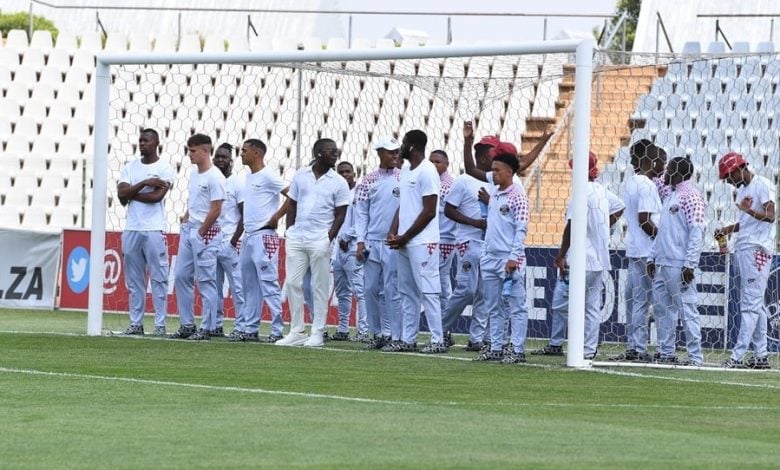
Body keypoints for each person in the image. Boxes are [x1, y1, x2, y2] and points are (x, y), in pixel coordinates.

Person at [532, 151, 624, 359]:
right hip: (598, 260)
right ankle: (588, 350)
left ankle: (559, 344)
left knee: (561, 303)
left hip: (579, 259)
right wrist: (601, 228)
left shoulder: (581, 192)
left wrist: (561, 255)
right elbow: (619, 206)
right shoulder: (601, 190)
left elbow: (570, 227)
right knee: (591, 308)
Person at [275, 138, 351, 347]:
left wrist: (329, 237)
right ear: (318, 153)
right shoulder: (301, 175)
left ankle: (318, 332)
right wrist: (289, 230)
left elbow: (341, 213)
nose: (335, 154)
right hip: (297, 236)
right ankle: (297, 330)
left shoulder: (339, 182)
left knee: (319, 286)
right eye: (330, 151)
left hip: (320, 238)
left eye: (336, 151)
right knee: (292, 282)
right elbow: (292, 204)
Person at [386, 130, 447, 353]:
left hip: (423, 242)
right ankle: (408, 339)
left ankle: (437, 340)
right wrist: (394, 231)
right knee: (407, 292)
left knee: (428, 292)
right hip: (405, 241)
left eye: (403, 143)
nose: (400, 147)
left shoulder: (428, 171)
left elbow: (429, 211)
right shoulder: (405, 170)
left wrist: (406, 236)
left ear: (411, 147)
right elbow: (404, 204)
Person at [716, 152, 775, 369]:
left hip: (758, 250)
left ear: (739, 168)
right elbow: (746, 223)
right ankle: (761, 355)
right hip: (744, 247)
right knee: (755, 305)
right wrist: (727, 229)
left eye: (729, 176)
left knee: (749, 306)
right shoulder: (742, 191)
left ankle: (737, 357)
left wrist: (749, 211)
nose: (729, 181)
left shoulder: (763, 185)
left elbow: (771, 215)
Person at [473, 142, 531, 363]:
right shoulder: (496, 193)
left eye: (497, 170)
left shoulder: (518, 196)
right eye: (493, 170)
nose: (493, 174)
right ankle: (496, 347)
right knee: (494, 306)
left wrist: (513, 257)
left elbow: (521, 228)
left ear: (510, 172)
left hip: (509, 259)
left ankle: (517, 350)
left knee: (517, 306)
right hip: (489, 257)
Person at [117, 128, 176, 336]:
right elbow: (121, 195)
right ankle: (136, 324)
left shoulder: (166, 168)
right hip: (132, 228)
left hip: (154, 229)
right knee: (134, 280)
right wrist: (144, 183)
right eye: (140, 140)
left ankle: (160, 325)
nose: (142, 144)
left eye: (146, 141)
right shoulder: (130, 167)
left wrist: (132, 193)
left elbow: (156, 198)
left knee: (159, 278)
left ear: (156, 142)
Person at [647, 157, 705, 365]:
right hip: (662, 263)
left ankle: (695, 357)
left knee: (687, 310)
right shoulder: (671, 195)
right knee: (663, 311)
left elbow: (696, 232)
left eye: (669, 170)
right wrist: (651, 257)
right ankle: (666, 353)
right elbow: (663, 231)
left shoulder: (691, 197)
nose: (665, 174)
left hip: (679, 264)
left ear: (678, 173)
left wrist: (690, 264)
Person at [440, 128, 494, 351]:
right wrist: (473, 223)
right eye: (493, 154)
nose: (497, 157)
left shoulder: (496, 181)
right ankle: (440, 329)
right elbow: (449, 210)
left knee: (484, 292)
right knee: (467, 289)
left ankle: (476, 338)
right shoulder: (463, 180)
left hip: (489, 244)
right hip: (467, 242)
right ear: (481, 156)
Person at [609, 140, 662, 362]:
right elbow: (644, 219)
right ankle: (644, 348)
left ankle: (634, 346)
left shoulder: (631, 182)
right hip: (648, 251)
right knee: (652, 302)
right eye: (661, 160)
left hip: (634, 249)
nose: (663, 165)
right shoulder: (647, 185)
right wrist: (663, 239)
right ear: (651, 158)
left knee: (635, 301)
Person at [171, 134, 226, 340]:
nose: (189, 155)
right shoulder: (195, 174)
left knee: (206, 280)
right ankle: (187, 324)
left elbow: (216, 208)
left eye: (193, 151)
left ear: (205, 151)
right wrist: (186, 221)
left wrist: (201, 232)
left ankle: (207, 327)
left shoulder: (215, 177)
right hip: (190, 229)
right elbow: (194, 201)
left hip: (206, 232)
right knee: (181, 276)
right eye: (189, 150)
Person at [236, 138, 289, 343]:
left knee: (268, 282)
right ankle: (251, 328)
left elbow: (292, 194)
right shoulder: (249, 177)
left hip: (264, 235)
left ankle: (276, 330)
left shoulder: (268, 175)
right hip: (248, 236)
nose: (241, 154)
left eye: (244, 150)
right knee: (249, 285)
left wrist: (277, 216)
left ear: (256, 153)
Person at [354, 137, 402, 350]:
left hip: (394, 243)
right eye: (390, 152)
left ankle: (393, 333)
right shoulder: (368, 180)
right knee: (370, 288)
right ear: (380, 153)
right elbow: (361, 212)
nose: (394, 156)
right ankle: (376, 333)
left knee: (392, 290)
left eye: (396, 152)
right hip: (372, 242)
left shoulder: (404, 178)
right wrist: (360, 241)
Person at [331, 161, 369, 342]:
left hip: (354, 247)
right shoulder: (337, 193)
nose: (345, 175)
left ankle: (363, 330)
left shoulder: (359, 192)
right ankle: (343, 328)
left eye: (348, 172)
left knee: (360, 291)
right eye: (341, 172)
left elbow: (364, 218)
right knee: (342, 292)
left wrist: (349, 235)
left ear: (354, 173)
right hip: (338, 249)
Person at [211, 143, 245, 337]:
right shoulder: (212, 181)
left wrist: (234, 240)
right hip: (212, 241)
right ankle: (215, 325)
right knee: (213, 287)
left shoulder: (238, 183)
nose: (220, 160)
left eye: (224, 157)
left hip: (230, 242)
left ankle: (241, 327)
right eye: (218, 157)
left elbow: (244, 214)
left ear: (231, 161)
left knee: (237, 287)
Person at [429, 150, 457, 313]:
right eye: (430, 161)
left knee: (442, 284)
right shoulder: (427, 182)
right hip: (427, 239)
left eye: (437, 162)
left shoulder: (451, 186)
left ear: (447, 164)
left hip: (445, 239)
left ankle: (444, 328)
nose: (433, 165)